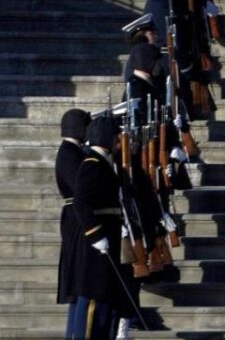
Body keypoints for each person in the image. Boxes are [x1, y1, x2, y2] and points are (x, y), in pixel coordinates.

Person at [64, 117, 132, 340]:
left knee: (105, 299)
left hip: (108, 236)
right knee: (94, 298)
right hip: (97, 244)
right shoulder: (92, 164)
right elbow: (81, 202)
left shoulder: (102, 163)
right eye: (115, 137)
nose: (118, 142)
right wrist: (96, 234)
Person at [56, 109, 91, 309]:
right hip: (76, 216)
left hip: (75, 213)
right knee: (78, 269)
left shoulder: (75, 151)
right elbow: (80, 188)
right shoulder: (70, 154)